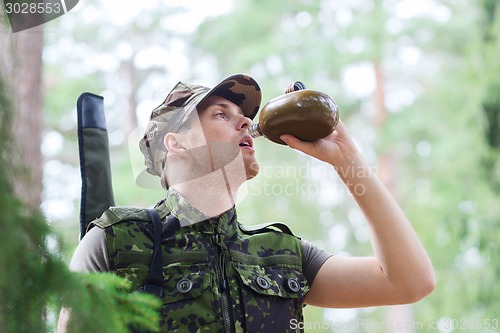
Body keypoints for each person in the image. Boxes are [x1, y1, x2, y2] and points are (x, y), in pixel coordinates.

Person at [58, 74, 435, 332]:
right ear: (176, 143)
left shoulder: (281, 255)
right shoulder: (118, 243)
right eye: (222, 114)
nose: (245, 125)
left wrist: (346, 158)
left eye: (245, 117)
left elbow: (410, 282)